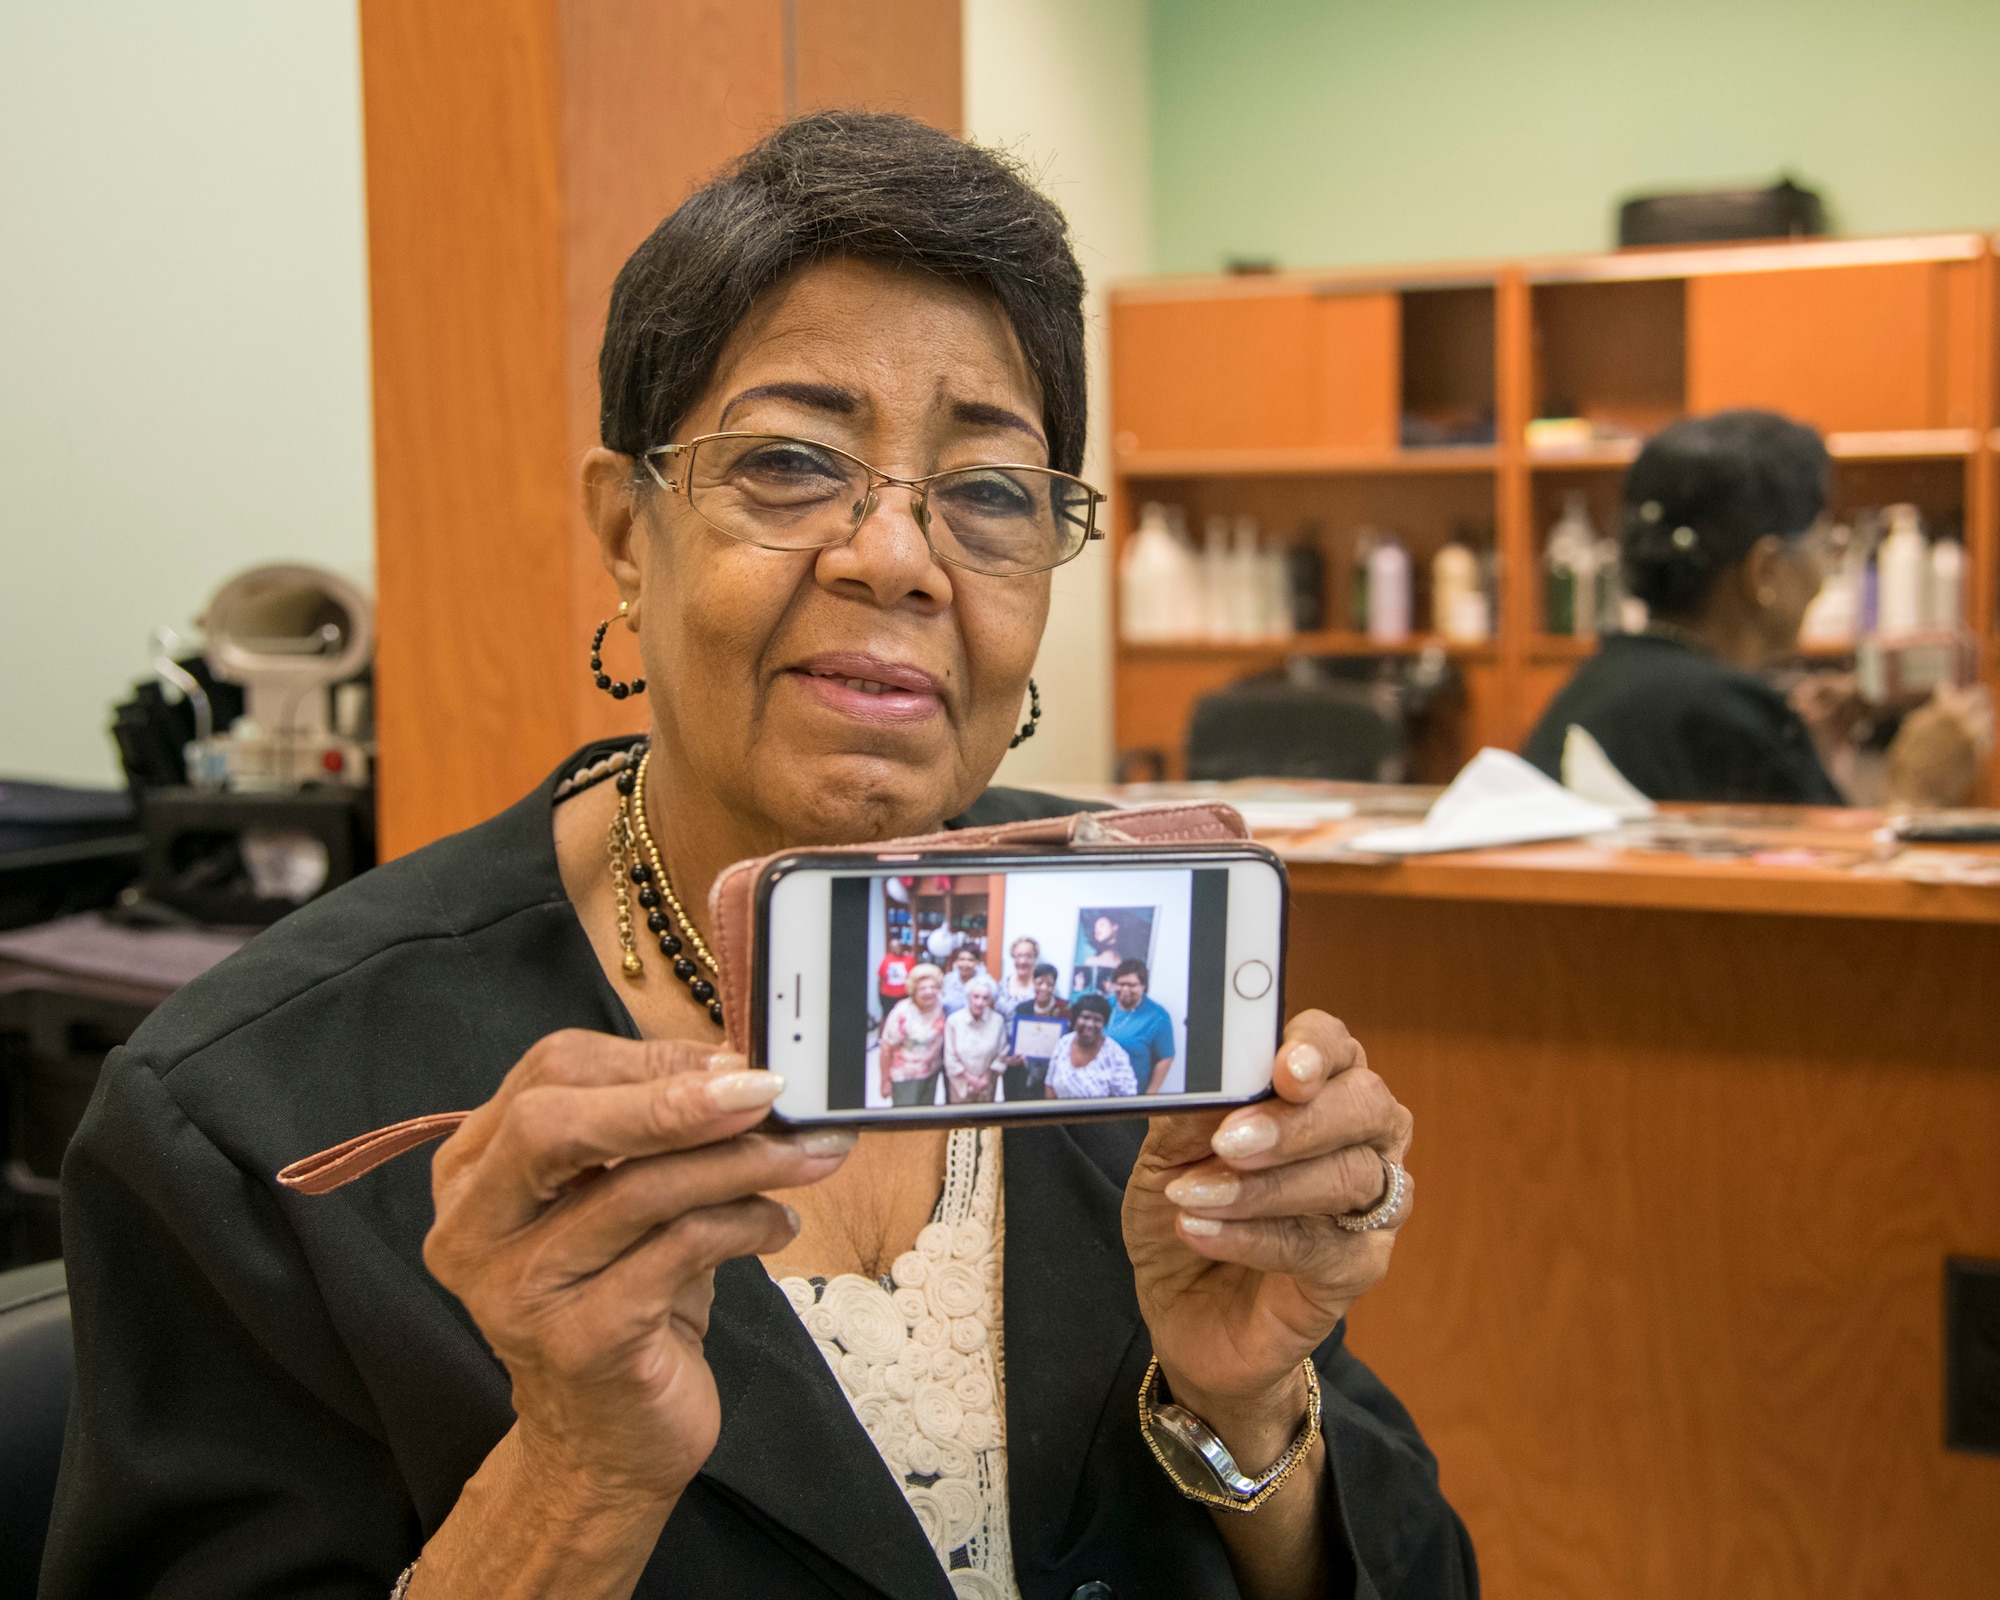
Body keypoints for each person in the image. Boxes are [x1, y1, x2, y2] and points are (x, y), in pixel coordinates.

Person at [47, 112, 1469, 1600]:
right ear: (626, 532)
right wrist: (577, 1479)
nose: (898, 556)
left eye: (988, 493)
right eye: (793, 464)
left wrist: (1240, 1409)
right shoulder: (248, 1118)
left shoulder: (1103, 969)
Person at [1524, 409, 1982, 805]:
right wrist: (1915, 792)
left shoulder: (1599, 681)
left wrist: (1800, 753)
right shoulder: (1724, 715)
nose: (1825, 571)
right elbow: (1825, 896)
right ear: (1765, 571)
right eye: (1824, 543)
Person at [1047, 993, 1140, 1100]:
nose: (1090, 1024)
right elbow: (1049, 1085)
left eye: (1097, 1020)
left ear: (1104, 1023)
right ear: (1075, 1019)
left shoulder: (1116, 1055)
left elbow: (1127, 1100)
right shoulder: (1063, 1043)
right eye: (1085, 1017)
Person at [879, 963, 948, 1107]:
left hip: (931, 1073)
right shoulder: (902, 1012)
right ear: (913, 991)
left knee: (925, 1116)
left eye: (933, 987)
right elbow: (886, 1049)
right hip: (905, 1077)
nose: (929, 992)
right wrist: (885, 1080)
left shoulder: (939, 1006)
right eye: (923, 988)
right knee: (906, 1120)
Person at [1107, 958, 1179, 1095]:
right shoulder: (1104, 1005)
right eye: (1120, 984)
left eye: (1132, 985)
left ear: (1144, 986)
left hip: (1132, 1094)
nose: (1125, 989)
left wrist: (1150, 1094)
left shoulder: (1157, 1016)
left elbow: (1166, 1058)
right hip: (1097, 1091)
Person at [1001, 961, 1068, 1102]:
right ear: (1033, 983)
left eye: (1049, 984)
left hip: (1052, 1071)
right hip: (1023, 1070)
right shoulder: (1022, 1008)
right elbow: (1016, 1038)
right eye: (1039, 983)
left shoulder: (1065, 1008)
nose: (1044, 988)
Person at [941, 974, 1006, 1103]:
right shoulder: (954, 1021)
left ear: (990, 1001)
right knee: (960, 1121)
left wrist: (984, 1079)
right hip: (959, 1086)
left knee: (984, 1120)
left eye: (985, 998)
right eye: (975, 997)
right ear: (968, 997)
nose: (979, 1002)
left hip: (987, 1085)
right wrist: (970, 1079)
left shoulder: (997, 1021)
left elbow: (1001, 1054)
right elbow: (949, 1058)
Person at [998, 935, 1039, 1017]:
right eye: (1019, 956)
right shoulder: (1003, 983)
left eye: (1028, 956)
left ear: (1035, 958)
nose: (1023, 961)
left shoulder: (1041, 986)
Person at [937, 942, 983, 1015]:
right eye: (962, 959)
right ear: (956, 961)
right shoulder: (948, 980)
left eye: (970, 960)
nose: (965, 964)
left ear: (977, 962)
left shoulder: (985, 982)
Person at [876, 938, 912, 1028]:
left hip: (904, 996)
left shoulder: (909, 959)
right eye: (894, 946)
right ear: (890, 948)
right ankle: (881, 1040)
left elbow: (914, 978)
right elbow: (880, 979)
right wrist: (879, 995)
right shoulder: (886, 959)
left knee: (905, 1019)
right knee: (887, 1019)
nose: (897, 948)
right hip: (888, 997)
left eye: (899, 946)